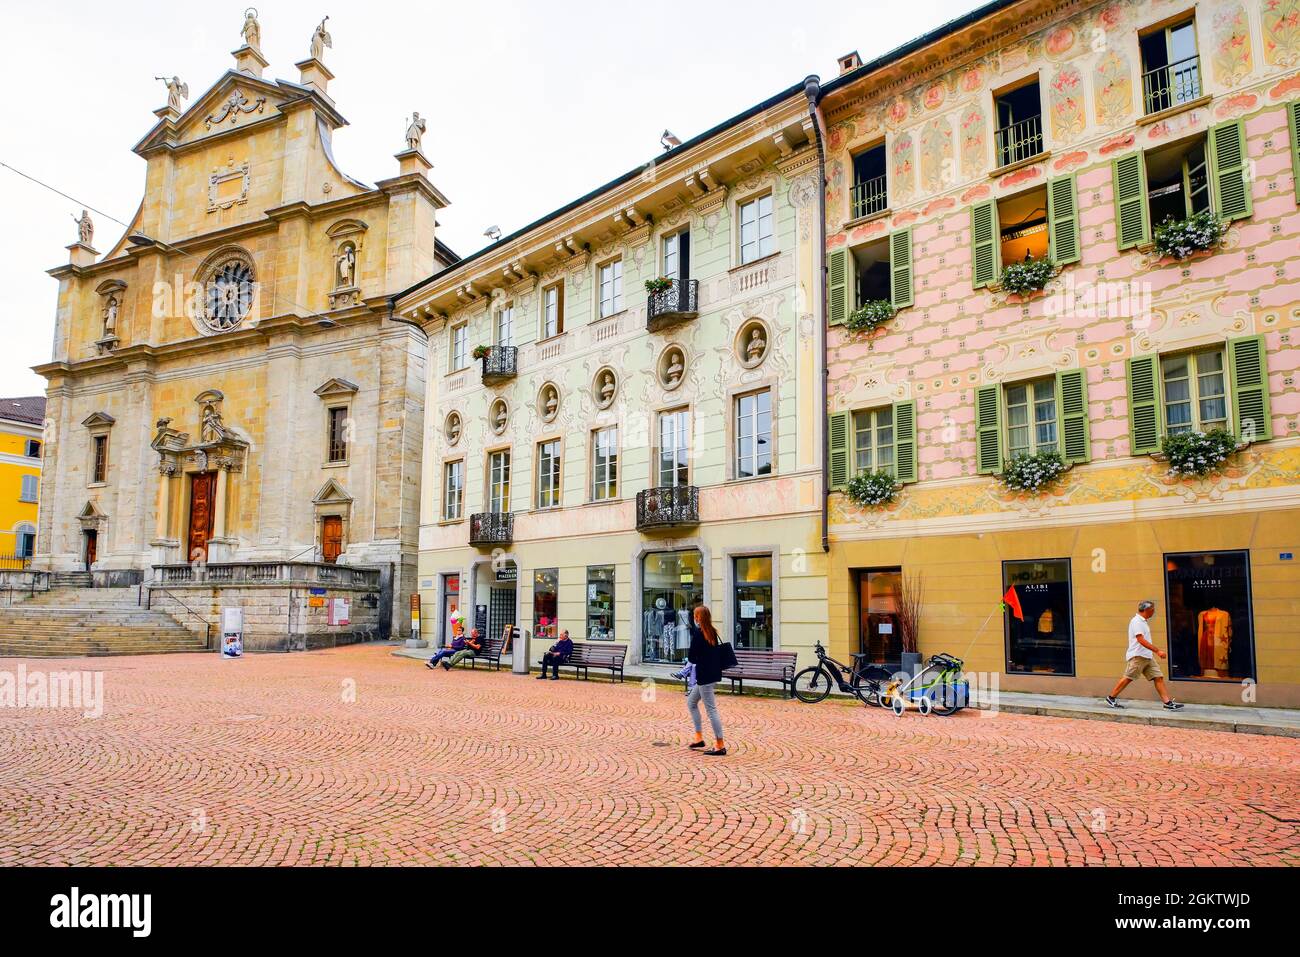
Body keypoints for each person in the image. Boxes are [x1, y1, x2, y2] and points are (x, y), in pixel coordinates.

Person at [1106, 600, 1184, 710]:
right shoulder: (1137, 621)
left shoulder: (1143, 621)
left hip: (1147, 656)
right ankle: (1111, 697)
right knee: (1128, 677)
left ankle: (1167, 703)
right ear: (1147, 610)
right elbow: (1140, 640)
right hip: (1138, 656)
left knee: (1158, 677)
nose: (1154, 612)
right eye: (1152, 610)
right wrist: (1157, 651)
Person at [685, 605, 726, 756]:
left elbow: (691, 656)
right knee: (691, 702)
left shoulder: (699, 633)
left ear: (699, 617)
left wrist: (697, 658)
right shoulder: (712, 632)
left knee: (711, 709)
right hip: (712, 674)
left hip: (704, 676)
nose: (694, 618)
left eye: (696, 615)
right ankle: (699, 737)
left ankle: (720, 744)